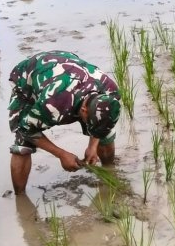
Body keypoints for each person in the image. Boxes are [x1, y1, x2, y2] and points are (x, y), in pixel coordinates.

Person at [7, 50, 121, 195]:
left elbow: (102, 124)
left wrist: (93, 146)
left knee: (105, 131)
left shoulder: (110, 92)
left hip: (70, 67)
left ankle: (109, 173)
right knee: (22, 143)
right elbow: (26, 129)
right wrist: (61, 154)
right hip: (28, 79)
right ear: (84, 110)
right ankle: (20, 198)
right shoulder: (53, 103)